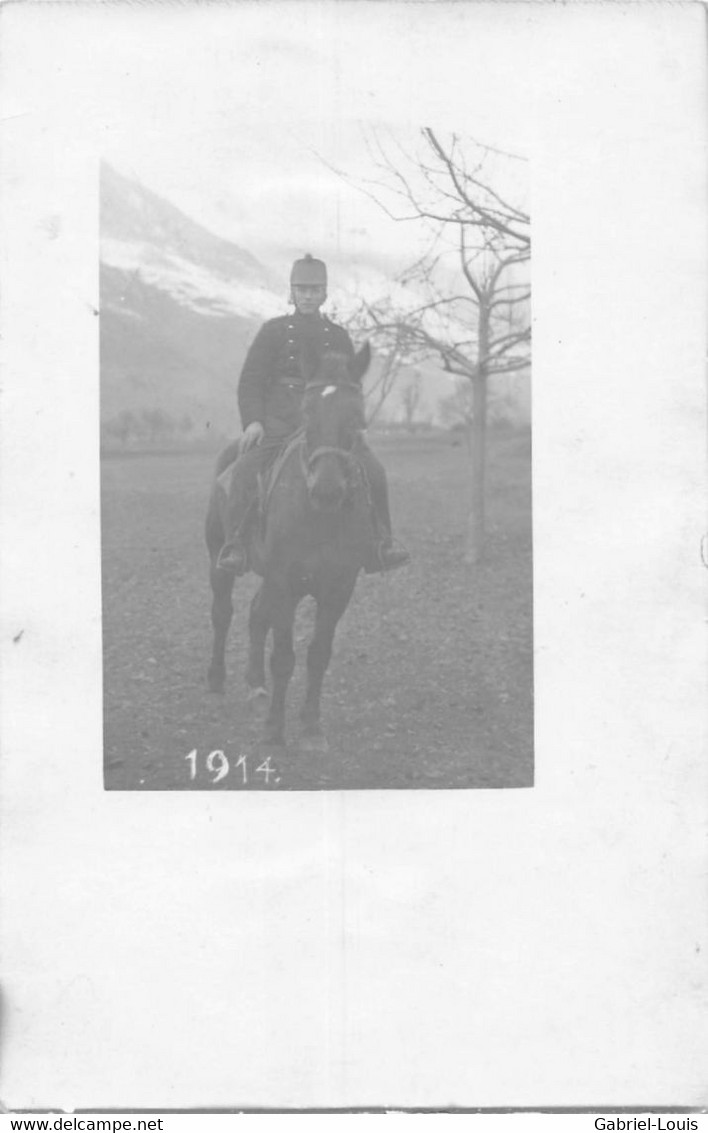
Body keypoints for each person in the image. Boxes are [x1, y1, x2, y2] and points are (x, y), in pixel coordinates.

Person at [216, 254, 410, 575]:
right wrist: (253, 421)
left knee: (373, 470)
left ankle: (382, 542)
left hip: (328, 425)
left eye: (315, 289)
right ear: (292, 292)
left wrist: (353, 425)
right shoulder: (273, 332)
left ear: (324, 294)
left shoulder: (338, 336)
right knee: (246, 470)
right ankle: (236, 545)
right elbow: (250, 380)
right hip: (278, 420)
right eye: (302, 289)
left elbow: (349, 386)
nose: (308, 295)